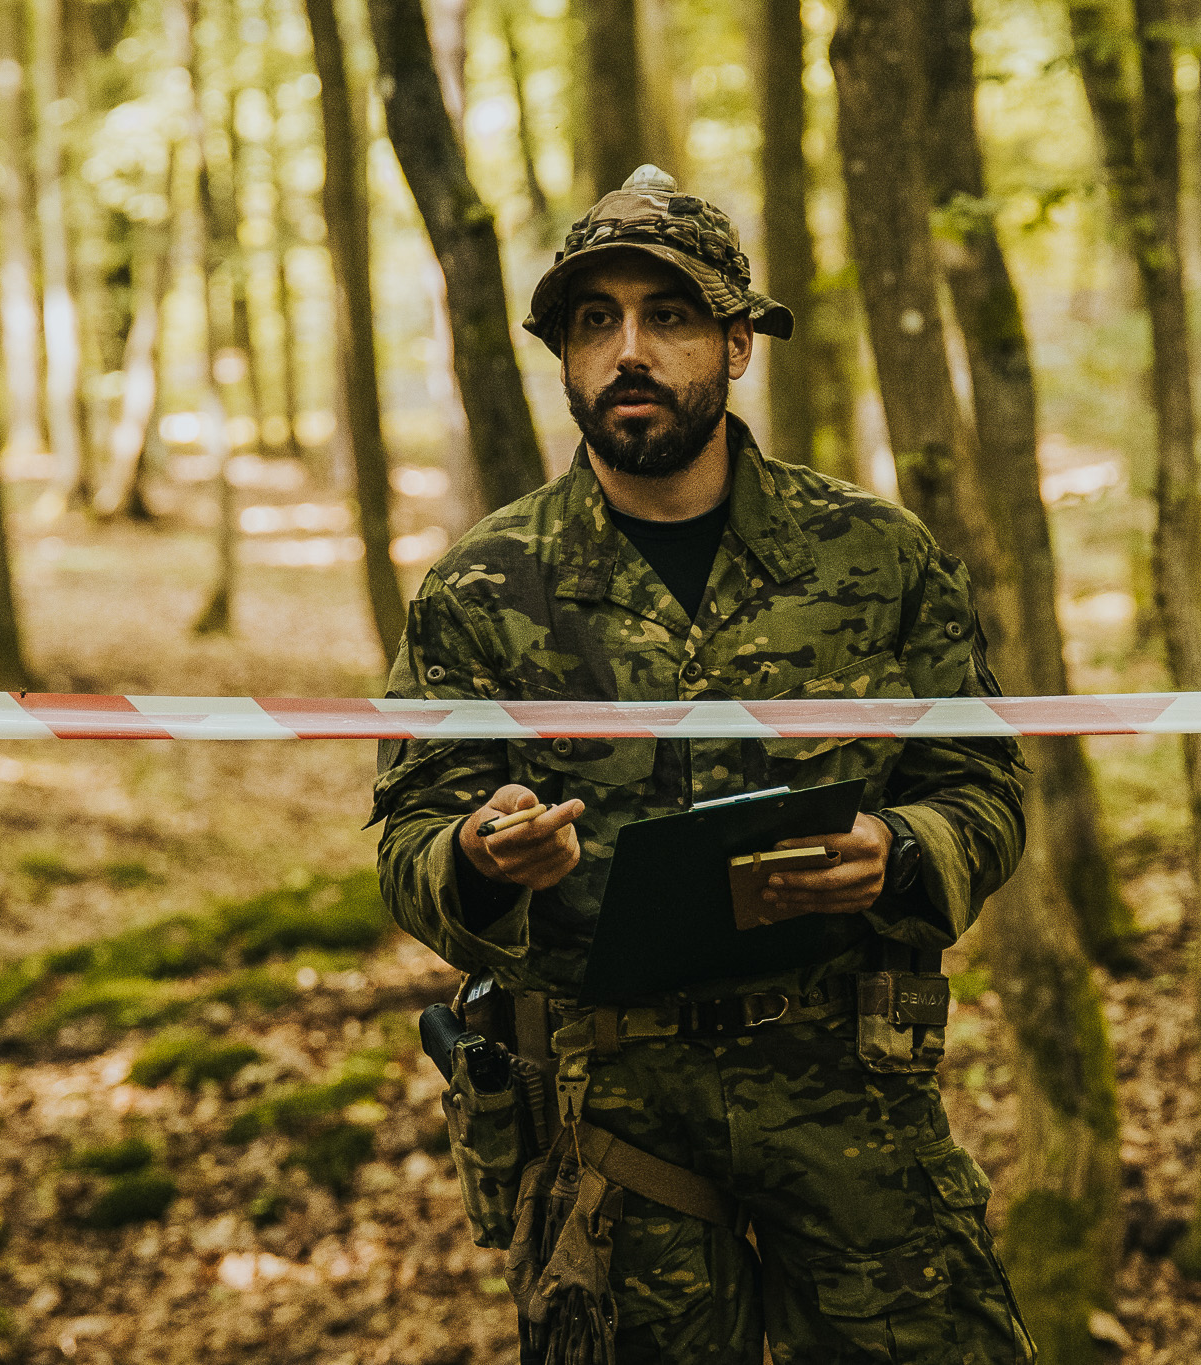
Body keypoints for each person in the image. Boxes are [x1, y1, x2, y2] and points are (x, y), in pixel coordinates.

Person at [372, 164, 1035, 1364]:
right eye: (595, 321)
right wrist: (479, 858)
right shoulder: (481, 587)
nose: (628, 351)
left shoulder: (876, 558)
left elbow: (979, 785)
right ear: (565, 355)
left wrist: (899, 852)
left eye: (667, 316)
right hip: (611, 1124)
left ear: (736, 344)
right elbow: (412, 839)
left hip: (849, 1098)